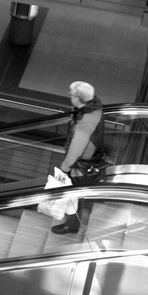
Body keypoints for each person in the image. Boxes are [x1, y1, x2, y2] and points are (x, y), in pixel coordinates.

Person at [51, 81, 105, 234]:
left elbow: (76, 150)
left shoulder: (84, 126)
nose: (69, 96)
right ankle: (73, 222)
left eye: (71, 94)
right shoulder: (94, 106)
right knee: (77, 192)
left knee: (74, 193)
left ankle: (72, 225)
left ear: (78, 99)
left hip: (82, 163)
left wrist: (65, 169)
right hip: (93, 156)